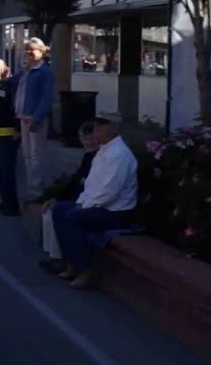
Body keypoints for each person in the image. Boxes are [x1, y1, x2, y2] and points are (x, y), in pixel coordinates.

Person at [52, 117, 139, 289]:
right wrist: (82, 201)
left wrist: (84, 206)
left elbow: (109, 193)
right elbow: (91, 184)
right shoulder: (103, 151)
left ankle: (86, 270)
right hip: (98, 205)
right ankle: (72, 262)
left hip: (115, 211)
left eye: (101, 126)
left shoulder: (119, 155)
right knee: (59, 210)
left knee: (73, 218)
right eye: (95, 126)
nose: (96, 130)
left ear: (114, 128)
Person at [38, 121, 100, 275]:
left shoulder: (100, 158)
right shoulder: (87, 157)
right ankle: (54, 256)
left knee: (58, 213)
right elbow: (75, 181)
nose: (85, 142)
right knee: (48, 212)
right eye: (83, 138)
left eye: (89, 139)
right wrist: (57, 197)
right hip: (76, 197)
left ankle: (65, 259)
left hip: (87, 201)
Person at [14, 37, 54, 202]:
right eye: (27, 50)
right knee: (27, 154)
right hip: (23, 116)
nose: (29, 53)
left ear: (42, 52)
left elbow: (46, 98)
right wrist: (22, 70)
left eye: (33, 50)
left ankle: (37, 190)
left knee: (36, 155)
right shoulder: (27, 70)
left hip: (34, 117)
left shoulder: (45, 72)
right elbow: (16, 85)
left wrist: (37, 118)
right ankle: (31, 188)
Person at [0, 58, 20, 216]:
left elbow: (16, 108)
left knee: (7, 171)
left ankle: (13, 205)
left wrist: (17, 129)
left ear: (5, 68)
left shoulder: (10, 85)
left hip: (8, 134)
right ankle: (5, 201)